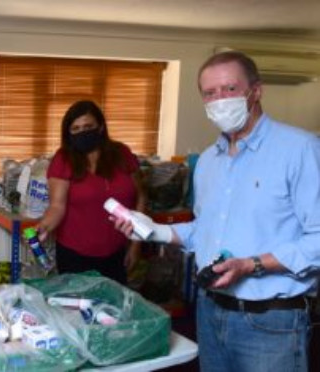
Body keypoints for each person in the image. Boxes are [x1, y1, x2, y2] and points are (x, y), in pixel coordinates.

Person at [113, 51, 320, 372]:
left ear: (256, 91)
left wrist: (251, 265)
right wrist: (154, 230)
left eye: (229, 89)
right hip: (210, 313)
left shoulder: (300, 149)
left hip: (270, 322)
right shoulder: (209, 161)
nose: (219, 100)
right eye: (210, 93)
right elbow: (204, 230)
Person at [37, 100, 144, 284]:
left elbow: (140, 197)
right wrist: (43, 227)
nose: (82, 132)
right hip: (75, 256)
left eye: (88, 126)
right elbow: (56, 206)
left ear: (100, 127)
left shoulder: (121, 154)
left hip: (117, 253)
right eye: (75, 129)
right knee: (78, 310)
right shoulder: (63, 160)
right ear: (68, 133)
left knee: (114, 310)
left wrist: (136, 245)